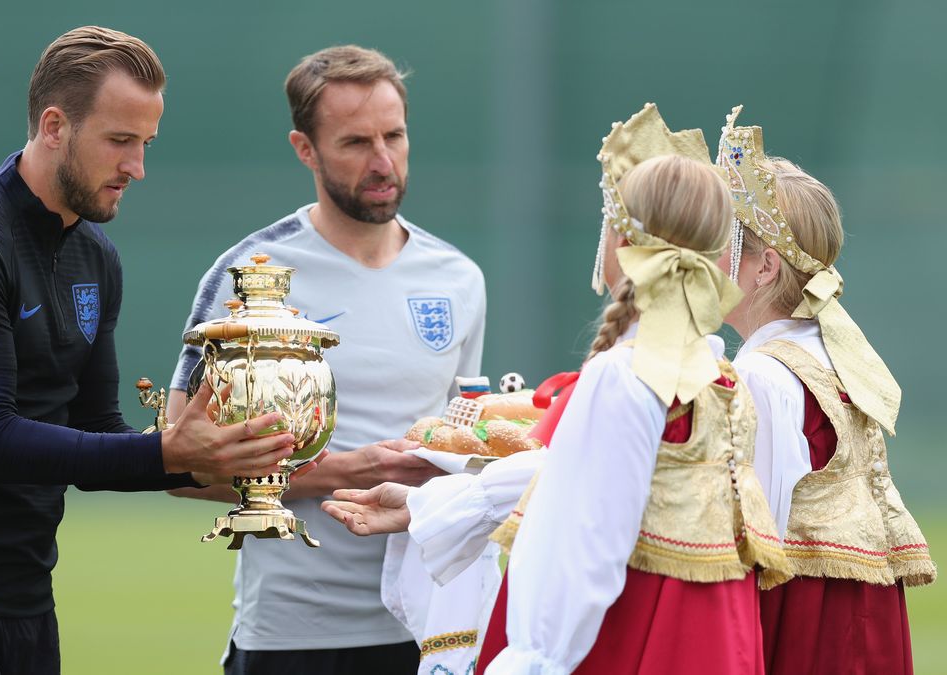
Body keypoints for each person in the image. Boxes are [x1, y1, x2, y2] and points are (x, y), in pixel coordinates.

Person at [0, 26, 301, 675]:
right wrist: (168, 451)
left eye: (146, 143)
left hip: (28, 606)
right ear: (55, 125)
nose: (137, 166)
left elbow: (95, 437)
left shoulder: (95, 255)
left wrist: (221, 459)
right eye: (120, 140)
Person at [324, 104, 793, 674]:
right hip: (713, 640)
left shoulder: (627, 374)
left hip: (638, 636)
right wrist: (430, 502)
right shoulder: (720, 374)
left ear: (620, 242)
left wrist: (530, 662)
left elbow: (585, 547)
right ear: (718, 255)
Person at [166, 45, 487, 675]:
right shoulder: (250, 276)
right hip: (295, 637)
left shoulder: (459, 278)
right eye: (355, 142)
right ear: (304, 149)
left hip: (435, 631)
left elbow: (460, 438)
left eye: (394, 136)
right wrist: (347, 469)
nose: (382, 160)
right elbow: (177, 464)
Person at [715, 106, 935, 674]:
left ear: (763, 269)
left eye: (719, 244)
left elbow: (756, 534)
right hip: (858, 612)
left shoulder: (764, 373)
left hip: (806, 621)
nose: (702, 260)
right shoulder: (829, 348)